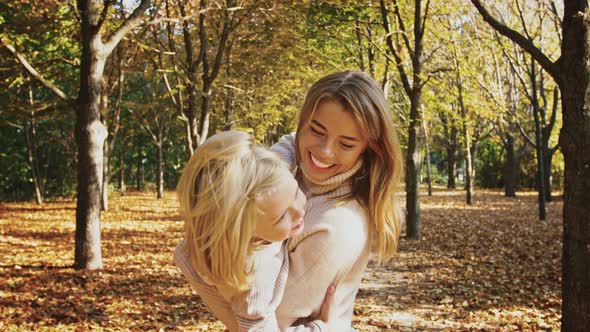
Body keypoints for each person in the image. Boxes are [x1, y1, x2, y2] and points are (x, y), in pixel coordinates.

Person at [270, 70, 404, 331]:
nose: (324, 150)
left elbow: (263, 320)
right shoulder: (295, 166)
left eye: (346, 144)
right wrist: (271, 176)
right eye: (317, 130)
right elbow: (290, 141)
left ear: (369, 148)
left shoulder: (338, 224)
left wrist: (204, 274)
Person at [173, 130, 334, 331]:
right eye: (281, 216)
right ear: (247, 232)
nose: (299, 211)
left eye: (295, 192)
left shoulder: (267, 172)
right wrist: (319, 329)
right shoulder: (254, 279)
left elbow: (289, 145)